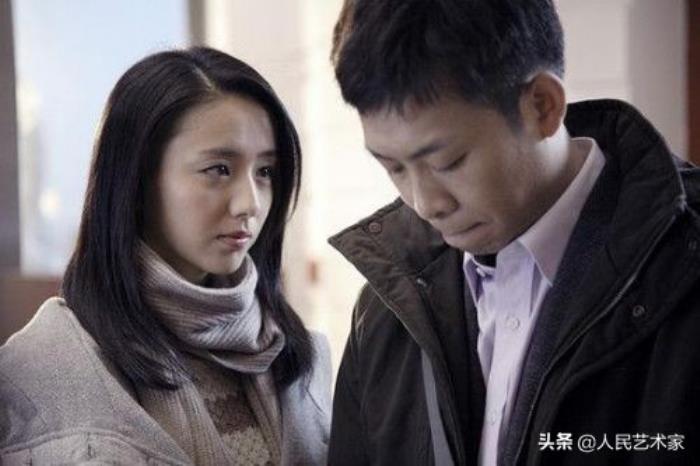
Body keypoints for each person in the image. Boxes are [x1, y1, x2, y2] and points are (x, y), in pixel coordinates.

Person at [327, 1, 700, 465]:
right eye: (394, 168)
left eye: (448, 163)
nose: (425, 204)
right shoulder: (386, 310)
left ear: (542, 106)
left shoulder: (684, 266)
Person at [0, 47, 331, 465]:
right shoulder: (38, 371)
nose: (250, 203)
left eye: (265, 172)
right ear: (137, 179)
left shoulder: (304, 361)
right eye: (219, 170)